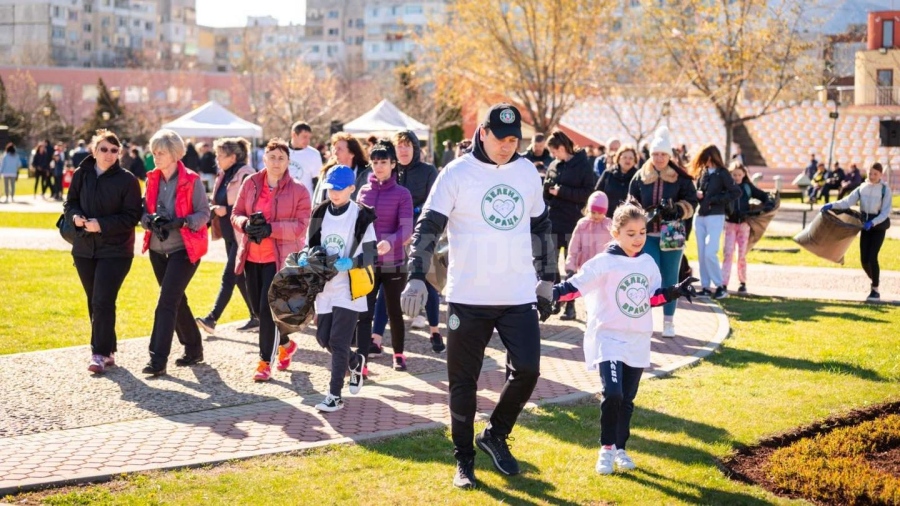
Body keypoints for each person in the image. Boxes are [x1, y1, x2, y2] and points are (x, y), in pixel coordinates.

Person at [400, 103, 556, 489]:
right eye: (501, 138)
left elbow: (541, 225)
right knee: (463, 383)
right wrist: (417, 275)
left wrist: (548, 278)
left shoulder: (526, 172)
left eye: (513, 139)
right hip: (468, 296)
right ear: (482, 132)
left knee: (529, 370)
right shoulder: (455, 173)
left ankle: (495, 434)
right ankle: (464, 459)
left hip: (518, 293)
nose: (507, 146)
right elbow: (427, 227)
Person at [550, 202, 697, 475]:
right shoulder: (604, 262)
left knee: (627, 400)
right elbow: (574, 287)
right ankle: (606, 449)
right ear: (615, 233)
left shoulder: (647, 262)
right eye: (631, 233)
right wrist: (550, 293)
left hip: (638, 339)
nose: (638, 239)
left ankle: (621, 448)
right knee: (613, 394)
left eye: (642, 232)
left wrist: (673, 291)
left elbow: (650, 297)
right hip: (609, 337)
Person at [232, 138, 311, 381]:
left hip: (280, 261)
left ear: (288, 162)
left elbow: (301, 226)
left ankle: (264, 362)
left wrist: (270, 229)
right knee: (257, 310)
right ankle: (286, 345)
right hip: (252, 256)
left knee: (267, 311)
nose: (276, 162)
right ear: (263, 158)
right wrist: (246, 225)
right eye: (272, 157)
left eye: (282, 158)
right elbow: (236, 213)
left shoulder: (298, 190)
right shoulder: (251, 183)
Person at [64, 130, 142, 374]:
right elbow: (70, 203)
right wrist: (75, 216)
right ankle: (108, 349)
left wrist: (103, 225)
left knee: (102, 299)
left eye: (114, 150)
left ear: (119, 153)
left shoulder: (127, 180)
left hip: (116, 250)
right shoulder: (81, 174)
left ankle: (98, 353)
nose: (109, 154)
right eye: (104, 149)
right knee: (95, 300)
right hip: (84, 249)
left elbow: (132, 216)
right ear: (94, 150)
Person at [305, 165, 377, 411]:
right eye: (330, 189)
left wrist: (352, 262)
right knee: (323, 338)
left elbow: (370, 253)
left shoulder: (361, 215)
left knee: (337, 340)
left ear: (351, 189)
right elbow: (310, 244)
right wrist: (306, 258)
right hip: (325, 285)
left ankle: (334, 396)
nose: (333, 194)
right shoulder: (320, 212)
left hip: (349, 286)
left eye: (338, 189)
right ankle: (355, 361)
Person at [140, 129, 210, 376]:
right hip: (158, 250)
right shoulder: (152, 179)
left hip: (185, 249)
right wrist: (149, 221)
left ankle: (157, 359)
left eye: (160, 153)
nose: (155, 157)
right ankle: (193, 348)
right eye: (154, 152)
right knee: (176, 299)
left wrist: (182, 222)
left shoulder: (192, 180)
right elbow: (142, 210)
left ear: (174, 154)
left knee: (166, 302)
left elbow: (204, 214)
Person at [628, 126, 698, 338]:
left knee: (670, 277)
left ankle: (669, 322)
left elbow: (692, 203)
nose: (659, 158)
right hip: (646, 234)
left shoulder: (681, 178)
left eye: (663, 154)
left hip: (672, 233)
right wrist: (641, 214)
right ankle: (643, 320)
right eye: (656, 154)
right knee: (646, 277)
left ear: (669, 155)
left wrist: (676, 209)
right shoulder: (640, 177)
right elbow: (630, 202)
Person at [379, 129, 443, 350]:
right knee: (387, 282)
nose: (403, 150)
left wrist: (413, 228)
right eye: (399, 146)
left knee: (427, 280)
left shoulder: (428, 171)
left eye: (408, 145)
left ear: (415, 148)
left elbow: (435, 203)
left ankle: (435, 330)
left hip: (422, 233)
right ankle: (377, 337)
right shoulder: (391, 171)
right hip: (394, 235)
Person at [355, 140, 414, 372]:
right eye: (375, 162)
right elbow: (357, 225)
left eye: (383, 162)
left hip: (394, 263)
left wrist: (389, 243)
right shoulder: (363, 192)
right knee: (364, 312)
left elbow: (407, 229)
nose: (379, 166)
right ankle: (363, 361)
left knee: (394, 311)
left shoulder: (403, 194)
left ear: (393, 164)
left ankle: (398, 354)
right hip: (368, 263)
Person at [196, 137, 258, 336]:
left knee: (229, 276)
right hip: (229, 234)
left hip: (242, 234)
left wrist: (226, 209)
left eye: (220, 155)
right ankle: (256, 316)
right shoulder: (224, 174)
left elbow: (251, 205)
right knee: (239, 278)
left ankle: (212, 318)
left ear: (232, 157)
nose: (217, 159)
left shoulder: (246, 174)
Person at [821, 163, 892, 302]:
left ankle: (875, 289)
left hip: (877, 226)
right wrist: (831, 205)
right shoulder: (862, 188)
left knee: (872, 257)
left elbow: (885, 213)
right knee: (864, 260)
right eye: (870, 173)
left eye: (875, 174)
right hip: (864, 225)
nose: (872, 176)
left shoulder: (885, 190)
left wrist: (873, 222)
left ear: (880, 175)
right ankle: (875, 280)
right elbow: (847, 202)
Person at [543, 130, 596, 313]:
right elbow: (548, 191)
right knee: (551, 261)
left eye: (554, 151)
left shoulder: (582, 164)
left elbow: (588, 192)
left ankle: (571, 304)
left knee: (571, 264)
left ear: (563, 147)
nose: (553, 156)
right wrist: (547, 190)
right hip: (554, 219)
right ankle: (556, 297)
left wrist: (562, 191)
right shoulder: (554, 165)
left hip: (573, 221)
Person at [690, 144, 741, 299]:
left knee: (710, 252)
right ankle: (705, 286)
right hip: (700, 216)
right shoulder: (703, 172)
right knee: (701, 253)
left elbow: (735, 192)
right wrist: (699, 195)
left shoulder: (723, 173)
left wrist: (713, 200)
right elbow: (701, 191)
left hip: (715, 215)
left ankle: (720, 286)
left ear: (711, 157)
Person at [562, 191, 613, 320]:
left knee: (598, 293)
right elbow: (574, 246)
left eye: (600, 213)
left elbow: (614, 246)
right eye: (593, 212)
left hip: (602, 268)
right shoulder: (582, 224)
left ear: (605, 211)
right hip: (584, 265)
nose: (596, 216)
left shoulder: (609, 226)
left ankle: (594, 314)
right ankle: (570, 308)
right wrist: (570, 264)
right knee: (577, 287)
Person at [722, 161, 771, 294]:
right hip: (730, 225)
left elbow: (763, 196)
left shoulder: (748, 187)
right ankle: (723, 283)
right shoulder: (727, 187)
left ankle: (742, 282)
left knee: (741, 254)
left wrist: (767, 204)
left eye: (739, 174)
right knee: (728, 254)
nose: (737, 177)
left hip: (744, 225)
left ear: (744, 174)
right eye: (734, 175)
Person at [311, 132, 371, 206]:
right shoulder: (327, 172)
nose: (335, 153)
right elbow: (317, 201)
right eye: (334, 148)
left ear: (352, 154)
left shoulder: (365, 174)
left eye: (339, 149)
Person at [595, 144, 639, 218]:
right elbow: (597, 193)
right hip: (606, 218)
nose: (627, 160)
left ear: (635, 161)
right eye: (624, 157)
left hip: (628, 220)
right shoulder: (608, 174)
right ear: (618, 158)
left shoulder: (637, 177)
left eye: (631, 158)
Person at [288, 121, 322, 199]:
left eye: (309, 138)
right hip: (284, 200)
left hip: (305, 200)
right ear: (294, 135)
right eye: (304, 137)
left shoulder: (314, 154)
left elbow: (317, 181)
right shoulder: (282, 151)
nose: (307, 141)